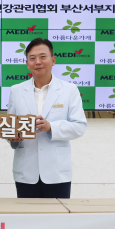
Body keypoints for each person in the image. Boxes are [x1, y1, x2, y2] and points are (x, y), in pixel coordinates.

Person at [7, 38, 87, 198]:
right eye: (32, 58)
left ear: (53, 60)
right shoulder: (16, 90)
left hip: (57, 172)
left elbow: (79, 126)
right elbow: (10, 126)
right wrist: (13, 138)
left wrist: (51, 127)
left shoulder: (69, 90)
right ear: (27, 63)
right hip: (25, 172)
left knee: (58, 214)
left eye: (43, 57)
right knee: (27, 214)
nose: (37, 62)